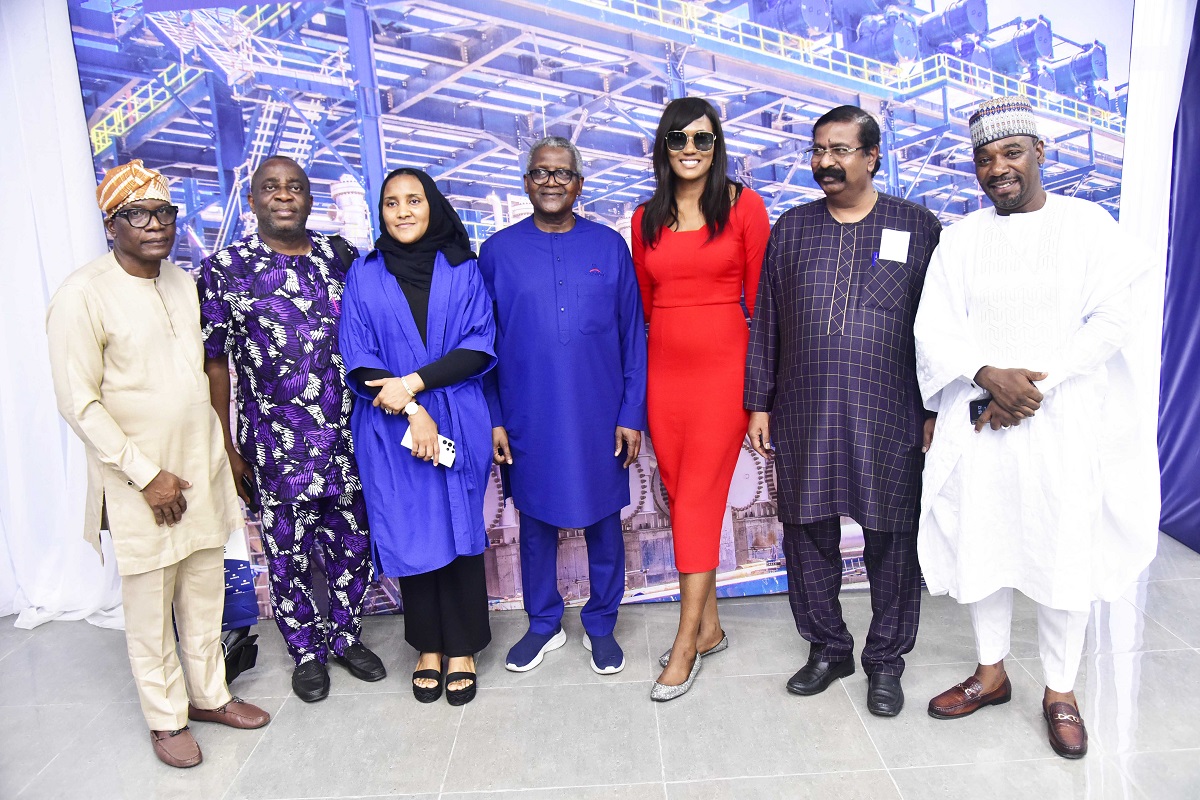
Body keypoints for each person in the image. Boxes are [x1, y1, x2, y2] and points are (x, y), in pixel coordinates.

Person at [913, 96, 1155, 758]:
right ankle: (991, 672)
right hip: (983, 419)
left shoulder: (1088, 225)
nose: (998, 169)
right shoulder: (961, 238)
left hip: (1064, 423)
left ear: (1040, 153)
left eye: (1011, 153)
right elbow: (934, 328)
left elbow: (1110, 320)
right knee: (985, 544)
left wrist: (1030, 387)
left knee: (1061, 548)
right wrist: (990, 376)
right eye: (985, 159)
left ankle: (1060, 690)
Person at [46, 161, 270, 768]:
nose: (155, 225)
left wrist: (219, 452)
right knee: (150, 605)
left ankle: (209, 695)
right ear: (110, 223)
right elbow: (79, 402)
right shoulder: (81, 294)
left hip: (198, 466)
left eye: (165, 213)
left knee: (203, 590)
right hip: (138, 480)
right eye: (137, 215)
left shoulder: (179, 281)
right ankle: (165, 717)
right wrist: (146, 476)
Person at [744, 105, 941, 717]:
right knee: (807, 530)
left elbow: (940, 327)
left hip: (891, 408)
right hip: (805, 406)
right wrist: (758, 400)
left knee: (891, 534)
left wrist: (935, 405)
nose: (825, 162)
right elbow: (768, 321)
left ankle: (886, 660)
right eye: (817, 150)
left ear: (872, 156)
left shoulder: (919, 225)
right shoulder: (794, 227)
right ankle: (829, 648)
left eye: (840, 150)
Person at [197, 155, 384, 704]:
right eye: (271, 187)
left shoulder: (342, 256)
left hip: (350, 437)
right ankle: (305, 652)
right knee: (288, 553)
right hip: (274, 446)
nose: (284, 195)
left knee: (353, 545)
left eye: (295, 187)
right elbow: (215, 363)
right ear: (252, 200)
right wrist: (226, 445)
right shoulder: (223, 271)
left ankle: (346, 637)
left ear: (309, 198)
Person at [480, 137, 647, 675]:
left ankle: (601, 624)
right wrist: (496, 418)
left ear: (578, 183)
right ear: (527, 183)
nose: (552, 182)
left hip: (600, 412)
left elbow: (632, 338)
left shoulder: (608, 247)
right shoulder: (498, 251)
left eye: (562, 174)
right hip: (528, 413)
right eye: (541, 173)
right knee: (535, 520)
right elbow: (483, 343)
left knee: (604, 519)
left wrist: (630, 413)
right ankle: (543, 624)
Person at [339, 168, 496, 706]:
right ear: (380, 213)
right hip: (390, 424)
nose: (403, 211)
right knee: (410, 528)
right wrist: (411, 409)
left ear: (432, 206)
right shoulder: (365, 273)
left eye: (413, 200)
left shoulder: (463, 268)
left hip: (456, 414)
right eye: (391, 203)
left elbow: (479, 345)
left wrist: (415, 384)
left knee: (459, 528)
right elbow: (356, 356)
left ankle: (464, 647)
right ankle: (428, 646)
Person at [632, 97, 770, 700]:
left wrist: (761, 397)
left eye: (703, 139)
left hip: (724, 374)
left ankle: (685, 640)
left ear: (718, 146)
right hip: (664, 373)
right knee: (675, 490)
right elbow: (640, 310)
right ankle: (710, 626)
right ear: (663, 148)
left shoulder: (744, 207)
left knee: (695, 502)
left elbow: (764, 309)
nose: (690, 149)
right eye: (677, 139)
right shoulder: (644, 219)